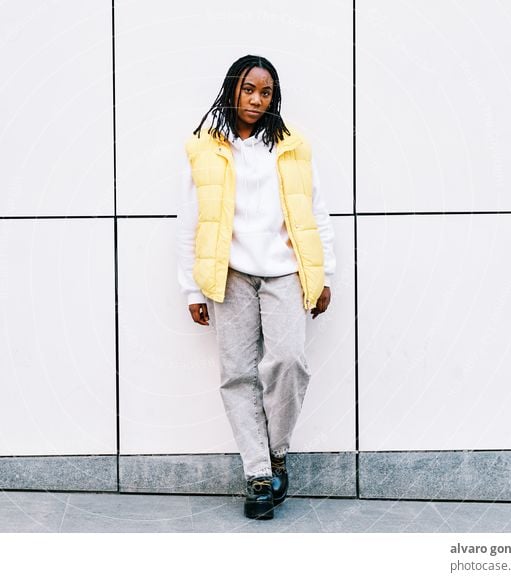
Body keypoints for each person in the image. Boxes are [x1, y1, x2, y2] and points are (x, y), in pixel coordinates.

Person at [176, 55, 335, 520]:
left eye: (265, 92)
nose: (256, 99)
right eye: (249, 90)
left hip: (285, 271)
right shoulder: (206, 148)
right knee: (238, 374)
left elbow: (315, 211)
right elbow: (192, 220)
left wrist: (324, 276)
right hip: (229, 274)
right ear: (233, 90)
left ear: (274, 97)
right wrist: (191, 287)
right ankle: (258, 475)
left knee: (288, 360)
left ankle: (277, 450)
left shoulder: (292, 146)